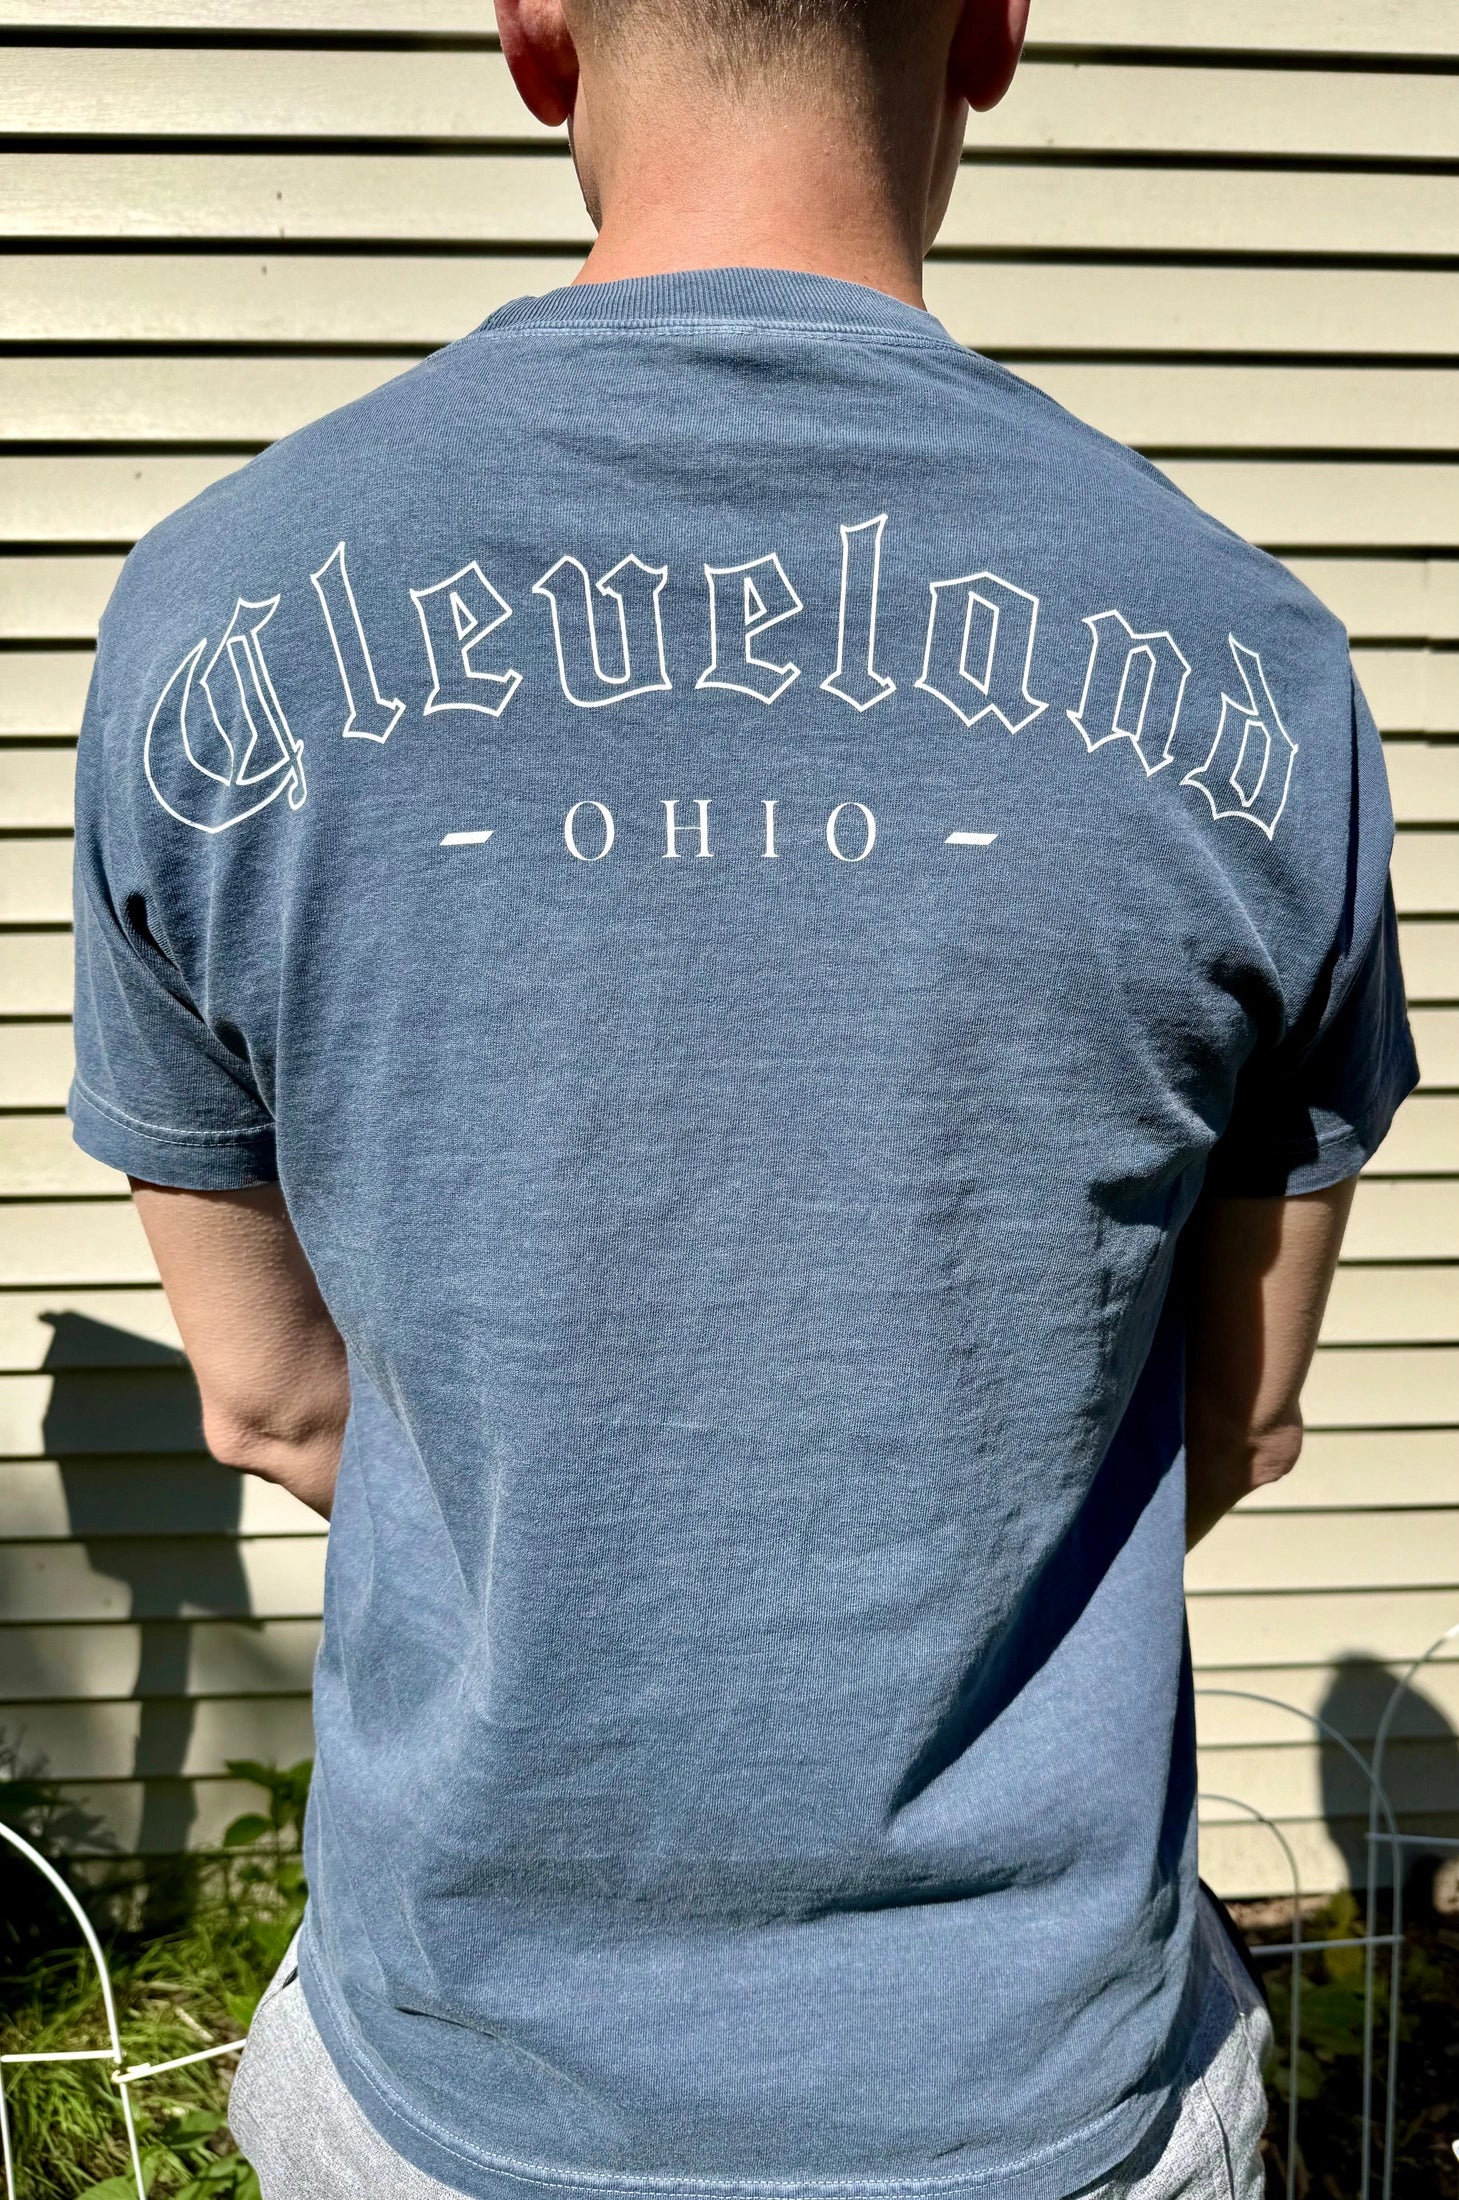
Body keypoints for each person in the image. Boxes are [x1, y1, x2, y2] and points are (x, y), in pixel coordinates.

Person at [69, 0, 1417, 2192]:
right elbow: (1238, 1416)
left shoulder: (215, 624)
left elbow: (275, 1401)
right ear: (991, 31)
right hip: (1038, 2103)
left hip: (458, 2096)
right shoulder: (1249, 664)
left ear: (533, 31)